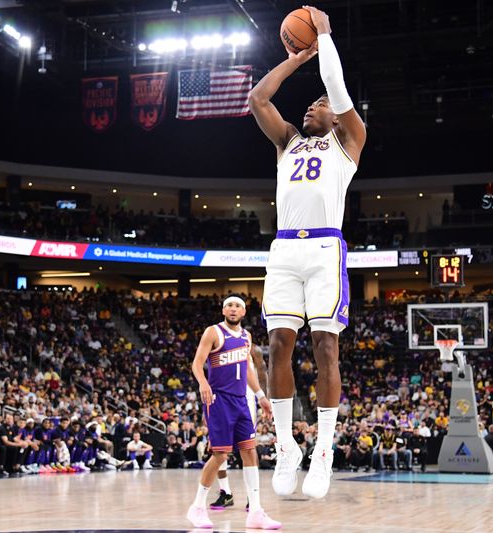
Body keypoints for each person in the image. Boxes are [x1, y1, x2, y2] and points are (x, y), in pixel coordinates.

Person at [248, 5, 366, 499]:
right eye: (309, 106)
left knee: (326, 348)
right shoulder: (288, 144)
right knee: (277, 345)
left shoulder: (348, 142)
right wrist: (296, 58)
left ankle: (323, 451)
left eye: (317, 105)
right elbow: (258, 98)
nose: (309, 109)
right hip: (283, 250)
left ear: (334, 114)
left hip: (323, 249)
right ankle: (287, 446)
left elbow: (336, 88)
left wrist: (323, 36)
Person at [187, 296, 279, 530]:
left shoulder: (247, 337)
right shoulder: (213, 332)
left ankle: (256, 511)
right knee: (220, 454)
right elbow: (197, 363)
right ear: (223, 309)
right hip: (219, 399)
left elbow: (247, 369)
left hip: (241, 401)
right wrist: (203, 383)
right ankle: (197, 507)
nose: (233, 309)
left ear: (244, 311)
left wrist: (260, 396)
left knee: (250, 451)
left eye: (237, 305)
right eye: (229, 305)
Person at [210, 343, 268, 511]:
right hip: (222, 399)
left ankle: (252, 496)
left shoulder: (253, 347)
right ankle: (225, 493)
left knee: (248, 448)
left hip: (247, 399)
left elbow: (262, 372)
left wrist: (263, 397)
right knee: (217, 448)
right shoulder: (218, 341)